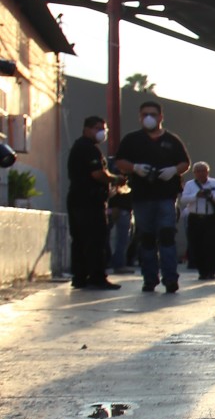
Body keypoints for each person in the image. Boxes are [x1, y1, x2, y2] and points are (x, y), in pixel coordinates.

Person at [115, 100, 191, 293]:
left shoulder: (172, 141)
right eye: (145, 114)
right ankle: (150, 279)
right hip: (142, 197)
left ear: (160, 117)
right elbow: (120, 161)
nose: (149, 118)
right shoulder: (132, 140)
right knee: (146, 239)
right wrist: (135, 168)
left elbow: (185, 163)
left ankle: (170, 279)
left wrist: (173, 170)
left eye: (153, 114)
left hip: (166, 197)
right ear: (140, 117)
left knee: (166, 237)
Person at [67, 116, 123, 290]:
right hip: (89, 201)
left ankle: (80, 277)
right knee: (95, 240)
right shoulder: (88, 149)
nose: (102, 132)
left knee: (80, 240)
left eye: (103, 129)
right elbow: (97, 174)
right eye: (98, 128)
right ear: (87, 129)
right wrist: (115, 179)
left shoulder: (81, 147)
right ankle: (97, 277)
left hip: (79, 200)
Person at [180, 162, 215, 280]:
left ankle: (211, 271)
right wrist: (197, 195)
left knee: (212, 245)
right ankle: (202, 271)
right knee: (196, 245)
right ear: (194, 173)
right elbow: (184, 200)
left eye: (203, 171)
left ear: (208, 172)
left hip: (211, 218)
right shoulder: (190, 185)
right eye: (198, 171)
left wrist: (211, 196)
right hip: (195, 218)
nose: (201, 173)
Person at [108, 178, 134, 274]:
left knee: (123, 238)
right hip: (121, 209)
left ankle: (117, 262)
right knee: (122, 238)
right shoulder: (120, 173)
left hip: (124, 209)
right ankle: (118, 264)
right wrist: (115, 206)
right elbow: (115, 189)